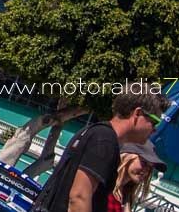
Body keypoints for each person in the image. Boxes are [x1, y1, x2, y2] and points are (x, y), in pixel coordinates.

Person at [34, 86, 170, 212]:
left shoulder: (96, 133)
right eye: (154, 122)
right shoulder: (105, 139)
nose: (154, 130)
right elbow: (79, 197)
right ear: (138, 113)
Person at [106, 141, 166, 212]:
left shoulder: (126, 194)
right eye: (144, 163)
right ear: (127, 157)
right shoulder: (103, 184)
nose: (146, 171)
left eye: (150, 167)